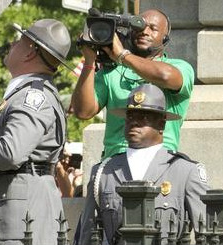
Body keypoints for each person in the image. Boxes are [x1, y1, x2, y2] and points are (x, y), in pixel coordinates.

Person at [0, 19, 71, 245]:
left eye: (19, 41)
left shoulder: (32, 98)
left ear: (30, 53)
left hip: (18, 214)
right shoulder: (23, 95)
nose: (12, 44)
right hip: (10, 208)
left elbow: (10, 151)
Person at [74, 83, 209, 245]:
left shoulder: (185, 171)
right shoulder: (103, 172)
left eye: (144, 117)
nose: (134, 122)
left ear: (162, 124)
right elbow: (89, 234)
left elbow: (208, 234)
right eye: (130, 116)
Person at [72, 9, 195, 158]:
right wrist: (89, 61)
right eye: (139, 27)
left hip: (160, 161)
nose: (144, 31)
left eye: (153, 28)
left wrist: (123, 56)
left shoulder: (180, 67)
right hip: (116, 162)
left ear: (165, 38)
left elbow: (165, 76)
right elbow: (83, 112)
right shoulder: (112, 71)